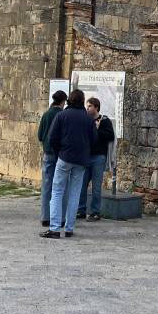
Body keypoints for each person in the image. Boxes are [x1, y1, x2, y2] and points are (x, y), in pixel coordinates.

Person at [41, 88, 97, 239]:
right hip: (81, 160)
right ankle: (69, 228)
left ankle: (54, 228)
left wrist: (59, 152)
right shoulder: (88, 119)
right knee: (74, 194)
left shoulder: (62, 115)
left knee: (57, 191)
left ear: (70, 100)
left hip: (64, 157)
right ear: (82, 101)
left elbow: (52, 138)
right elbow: (94, 140)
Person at [77, 96, 115, 221]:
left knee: (96, 186)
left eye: (90, 106)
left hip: (98, 157)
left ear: (96, 107)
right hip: (86, 156)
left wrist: (97, 130)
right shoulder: (86, 120)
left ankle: (95, 212)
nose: (87, 108)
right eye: (87, 106)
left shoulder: (104, 121)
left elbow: (110, 136)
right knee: (82, 184)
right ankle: (81, 210)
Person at [36, 89, 67, 226]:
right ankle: (60, 217)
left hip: (48, 152)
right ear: (63, 102)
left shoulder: (46, 114)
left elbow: (40, 135)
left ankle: (45, 216)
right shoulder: (62, 115)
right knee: (61, 186)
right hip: (60, 153)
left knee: (47, 185)